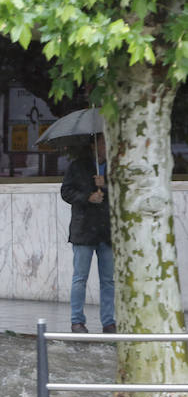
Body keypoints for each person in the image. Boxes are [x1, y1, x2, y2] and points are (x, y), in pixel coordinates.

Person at [61, 135, 116, 333]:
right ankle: (77, 321)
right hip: (84, 230)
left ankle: (109, 322)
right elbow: (66, 192)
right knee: (80, 278)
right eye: (102, 144)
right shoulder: (78, 166)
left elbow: (124, 193)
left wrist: (107, 186)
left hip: (106, 231)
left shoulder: (113, 168)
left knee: (108, 280)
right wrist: (88, 197)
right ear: (94, 146)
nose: (105, 148)